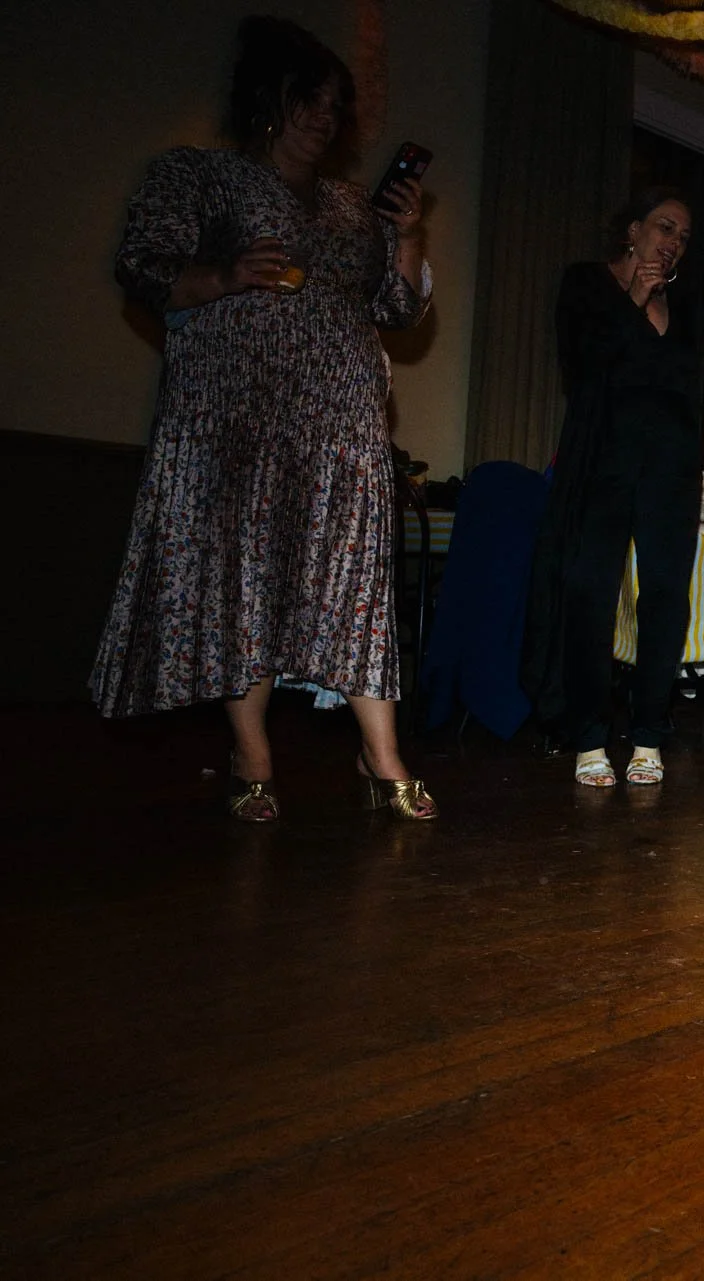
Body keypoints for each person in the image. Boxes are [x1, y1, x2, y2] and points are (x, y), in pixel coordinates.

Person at [93, 16, 436, 821]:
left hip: (342, 422)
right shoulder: (199, 177)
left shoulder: (357, 208)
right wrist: (221, 275)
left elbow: (396, 307)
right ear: (269, 103)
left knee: (353, 577)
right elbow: (142, 265)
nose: (323, 118)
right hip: (234, 413)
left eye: (333, 106)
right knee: (245, 572)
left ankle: (381, 755)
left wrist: (409, 237)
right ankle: (252, 755)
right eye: (307, 101)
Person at [522, 190, 702, 788]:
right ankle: (590, 737)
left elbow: (684, 393)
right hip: (601, 466)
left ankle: (649, 733)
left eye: (682, 234)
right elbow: (582, 369)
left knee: (666, 598)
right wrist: (634, 299)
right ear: (633, 230)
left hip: (669, 472)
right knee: (589, 595)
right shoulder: (586, 284)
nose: (673, 240)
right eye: (664, 226)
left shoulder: (685, 305)